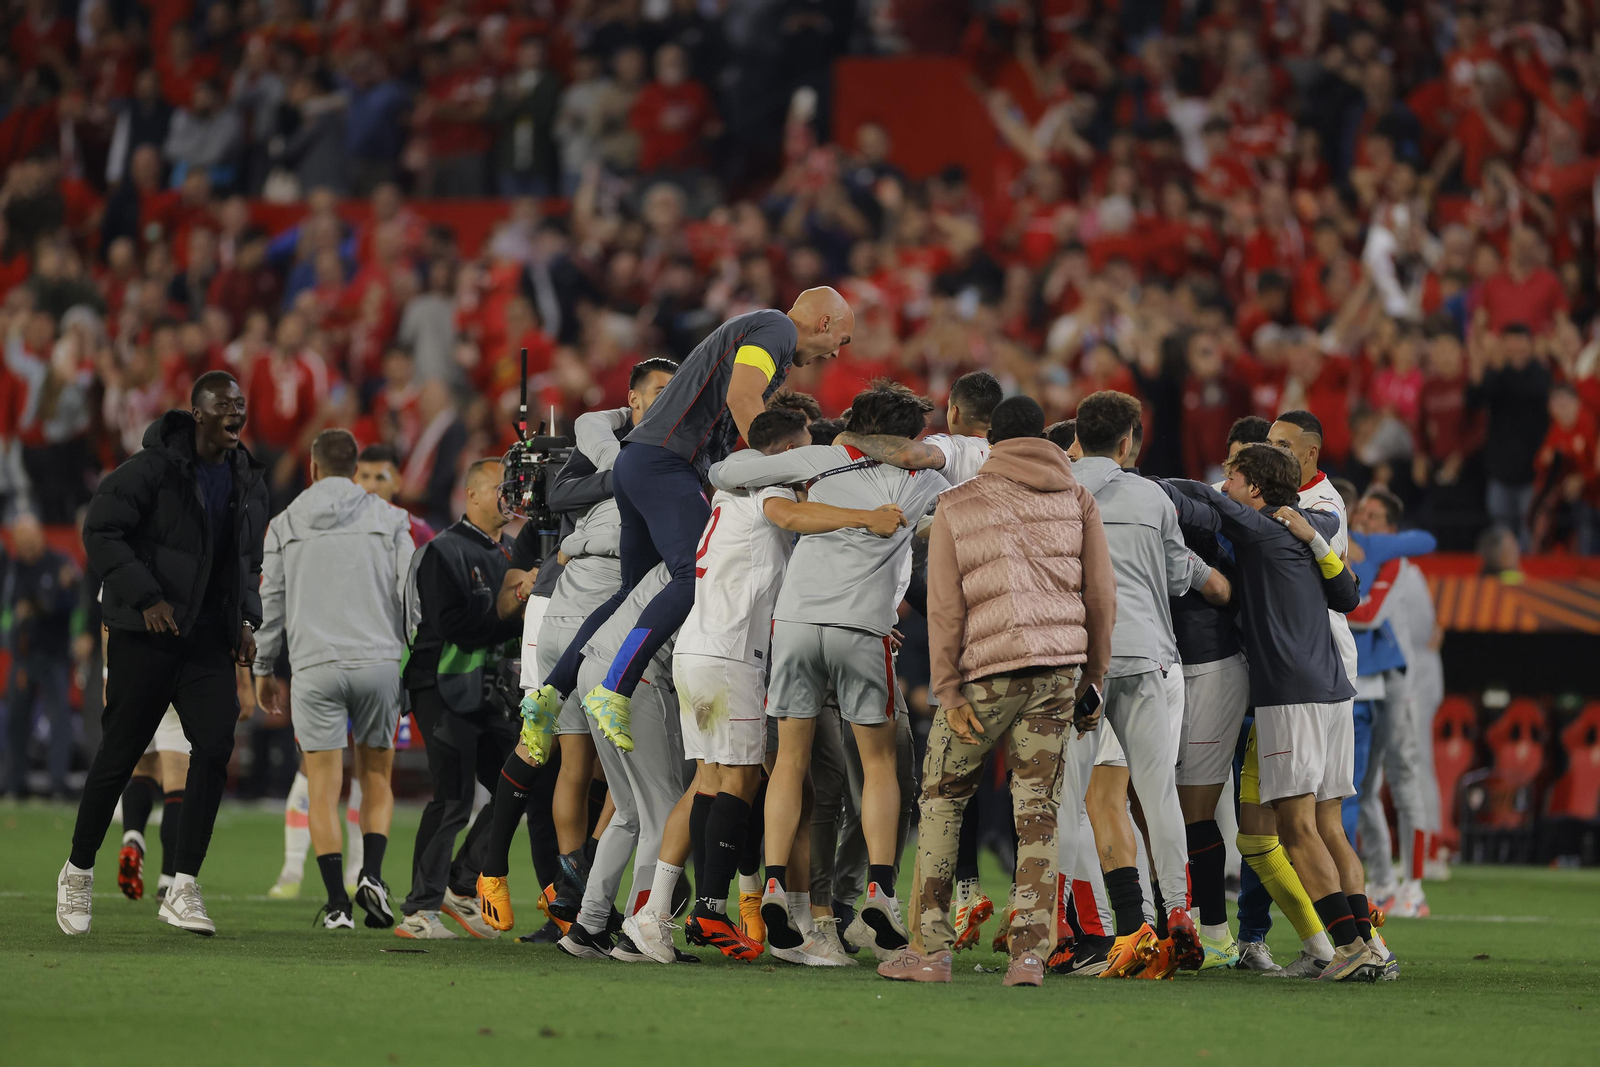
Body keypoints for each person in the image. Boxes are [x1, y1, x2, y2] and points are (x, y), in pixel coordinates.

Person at [625, 406, 907, 964]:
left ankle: (653, 913)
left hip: (701, 651)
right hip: (730, 656)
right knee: (741, 780)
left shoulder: (730, 493)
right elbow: (791, 516)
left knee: (710, 780)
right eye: (803, 448)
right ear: (783, 450)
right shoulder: (765, 485)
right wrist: (865, 518)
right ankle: (708, 907)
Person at [526, 289, 854, 754]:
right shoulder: (777, 329)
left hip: (640, 463)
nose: (838, 352)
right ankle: (615, 687)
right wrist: (774, 472)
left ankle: (550, 694)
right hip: (665, 463)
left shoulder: (761, 333)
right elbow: (743, 399)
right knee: (694, 573)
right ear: (823, 324)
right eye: (842, 338)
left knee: (630, 592)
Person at [877, 396, 1115, 988]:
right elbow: (1101, 597)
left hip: (987, 672)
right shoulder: (1077, 498)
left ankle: (930, 950)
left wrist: (948, 690)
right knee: (1039, 812)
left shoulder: (958, 503)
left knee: (942, 798)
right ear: (1044, 438)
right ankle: (1030, 955)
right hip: (1060, 669)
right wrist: (1092, 680)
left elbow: (946, 609)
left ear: (992, 443)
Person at [707, 381, 947, 960]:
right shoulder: (927, 480)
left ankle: (770, 881)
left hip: (792, 624)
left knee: (788, 761)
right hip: (861, 629)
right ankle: (880, 890)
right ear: (908, 434)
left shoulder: (823, 464)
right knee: (879, 762)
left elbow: (723, 473)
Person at [1163, 444, 1385, 982]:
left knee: (1296, 826)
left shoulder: (1261, 528)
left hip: (1290, 693)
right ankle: (1371, 946)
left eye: (1232, 477)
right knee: (1328, 826)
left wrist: (1137, 485)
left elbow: (1201, 502)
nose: (1224, 484)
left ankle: (1347, 946)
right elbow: (1349, 596)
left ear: (1254, 489)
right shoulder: (1307, 528)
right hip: (1335, 690)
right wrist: (1313, 535)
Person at [59, 371, 268, 937]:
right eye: (224, 405)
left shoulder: (247, 477)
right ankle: (78, 870)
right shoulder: (148, 469)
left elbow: (245, 561)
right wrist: (146, 597)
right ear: (197, 413)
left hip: (205, 642)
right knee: (121, 754)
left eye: (241, 404)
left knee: (216, 745)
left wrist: (247, 620)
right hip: (146, 636)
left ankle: (183, 884)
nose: (236, 413)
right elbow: (101, 532)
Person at [476, 356, 677, 934]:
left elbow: (572, 478)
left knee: (572, 762)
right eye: (658, 391)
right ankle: (580, 884)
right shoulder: (652, 463)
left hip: (563, 614)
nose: (669, 399)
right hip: (600, 625)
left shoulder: (606, 455)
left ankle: (562, 883)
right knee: (623, 770)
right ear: (635, 401)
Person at [831, 369, 1004, 944]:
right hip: (1013, 618)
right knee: (1025, 775)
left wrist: (845, 434)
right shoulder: (1014, 457)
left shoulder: (942, 453)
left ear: (952, 412)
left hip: (947, 615)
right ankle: (1039, 910)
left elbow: (897, 454)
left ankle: (954, 894)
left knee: (942, 770)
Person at [1068, 391, 1229, 978]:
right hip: (1148, 655)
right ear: (1130, 441)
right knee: (1158, 794)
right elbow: (1175, 571)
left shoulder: (1057, 490)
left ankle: (1089, 929)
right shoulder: (1152, 496)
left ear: (1078, 437)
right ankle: (1178, 913)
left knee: (1074, 799)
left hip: (1079, 659)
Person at [252, 429, 414, 930]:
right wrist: (409, 658)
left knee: (323, 784)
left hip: (315, 665)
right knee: (376, 777)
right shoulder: (391, 519)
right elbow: (410, 596)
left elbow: (271, 602)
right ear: (353, 468)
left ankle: (336, 905)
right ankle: (371, 875)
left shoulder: (284, 523)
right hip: (378, 663)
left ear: (314, 469)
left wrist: (263, 667)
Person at [394, 459, 524, 941]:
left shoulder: (513, 550)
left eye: (513, 488)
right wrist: (515, 613)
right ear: (471, 495)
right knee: (453, 797)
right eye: (500, 488)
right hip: (441, 685)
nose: (509, 497)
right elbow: (451, 626)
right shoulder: (442, 552)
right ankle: (419, 909)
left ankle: (460, 884)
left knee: (518, 785)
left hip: (490, 691)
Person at [1345, 488, 1437, 920]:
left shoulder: (1399, 565)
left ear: (1391, 527)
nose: (1366, 522)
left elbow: (1407, 627)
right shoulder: (1366, 559)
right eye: (1363, 514)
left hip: (1399, 683)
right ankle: (1382, 880)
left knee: (1403, 778)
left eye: (1375, 517)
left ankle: (1414, 886)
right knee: (1362, 784)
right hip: (1373, 680)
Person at [4, 513, 79, 800]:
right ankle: (14, 784)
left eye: (29, 540)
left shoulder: (59, 562)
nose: (25, 548)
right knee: (17, 721)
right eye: (20, 542)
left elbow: (69, 602)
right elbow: (13, 608)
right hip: (23, 656)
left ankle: (57, 785)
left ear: (39, 536)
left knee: (59, 720)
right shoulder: (14, 569)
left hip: (54, 655)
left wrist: (41, 603)